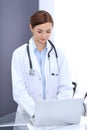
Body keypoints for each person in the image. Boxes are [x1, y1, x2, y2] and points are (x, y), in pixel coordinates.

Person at [11, 10, 73, 129]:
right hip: (28, 116)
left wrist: (56, 112)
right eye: (39, 31)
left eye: (48, 31)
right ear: (31, 28)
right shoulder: (19, 54)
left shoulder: (59, 54)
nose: (44, 36)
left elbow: (65, 87)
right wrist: (37, 113)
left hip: (55, 119)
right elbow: (19, 91)